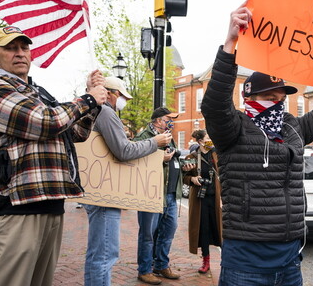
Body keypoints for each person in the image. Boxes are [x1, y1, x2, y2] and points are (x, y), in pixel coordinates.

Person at [200, 2, 313, 285]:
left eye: (281, 98)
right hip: (246, 262)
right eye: (270, 98)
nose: (277, 104)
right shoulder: (233, 130)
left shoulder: (292, 128)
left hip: (290, 262)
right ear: (250, 99)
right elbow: (215, 104)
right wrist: (230, 42)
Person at [0, 25, 107, 286]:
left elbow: (75, 133)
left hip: (48, 203)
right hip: (12, 208)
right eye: (10, 48)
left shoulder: (37, 93)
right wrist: (87, 100)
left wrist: (92, 105)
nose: (20, 53)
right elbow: (44, 123)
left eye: (24, 47)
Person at [83, 76, 173, 286]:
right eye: (123, 96)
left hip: (100, 189)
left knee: (97, 253)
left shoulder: (98, 112)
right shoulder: (106, 112)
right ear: (112, 94)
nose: (124, 101)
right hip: (106, 194)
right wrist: (154, 142)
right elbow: (123, 150)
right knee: (105, 254)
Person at [134, 107, 187, 285]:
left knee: (168, 231)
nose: (170, 123)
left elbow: (173, 159)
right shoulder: (143, 137)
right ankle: (145, 270)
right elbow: (134, 158)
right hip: (151, 193)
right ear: (157, 120)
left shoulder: (168, 136)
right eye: (167, 119)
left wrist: (185, 167)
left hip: (170, 194)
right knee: (148, 234)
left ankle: (161, 265)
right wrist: (160, 159)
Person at [182, 129, 222, 274]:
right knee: (203, 230)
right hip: (200, 199)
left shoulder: (216, 154)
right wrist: (192, 179)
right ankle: (206, 261)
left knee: (220, 229)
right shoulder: (192, 156)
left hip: (216, 198)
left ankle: (227, 261)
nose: (210, 139)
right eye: (207, 137)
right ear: (200, 141)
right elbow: (184, 178)